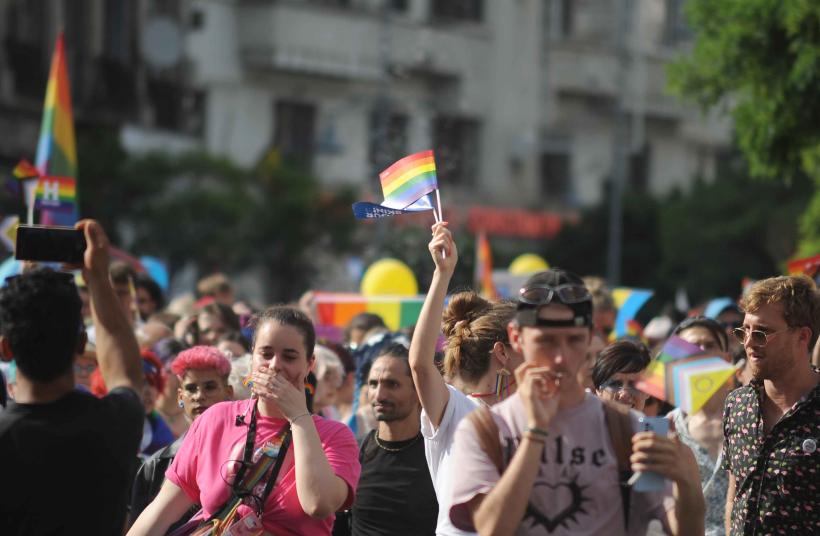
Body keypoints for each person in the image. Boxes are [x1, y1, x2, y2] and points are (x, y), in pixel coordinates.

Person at [449, 268, 705, 535]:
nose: (561, 357)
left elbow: (682, 530)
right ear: (516, 337)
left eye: (573, 340)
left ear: (590, 337)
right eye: (546, 341)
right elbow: (491, 528)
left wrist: (688, 482)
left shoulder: (634, 429)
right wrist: (535, 433)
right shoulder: (484, 428)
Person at [129, 306, 361, 536]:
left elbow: (317, 504)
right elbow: (161, 512)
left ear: (309, 364)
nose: (275, 365)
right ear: (252, 357)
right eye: (266, 354)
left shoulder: (334, 436)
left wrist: (299, 416)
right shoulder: (216, 419)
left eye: (289, 356)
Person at [0, 220, 144, 535]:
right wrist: (97, 278)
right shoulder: (115, 423)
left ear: (5, 348)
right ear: (81, 345)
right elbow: (127, 372)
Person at [409, 222, 522, 536]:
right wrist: (441, 275)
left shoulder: (532, 416)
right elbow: (419, 364)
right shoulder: (456, 408)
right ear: (502, 353)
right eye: (526, 342)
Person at [722, 275, 820, 535]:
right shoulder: (737, 404)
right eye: (745, 330)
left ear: (802, 337)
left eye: (763, 332)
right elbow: (735, 495)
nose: (749, 343)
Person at [129, 345, 234, 528]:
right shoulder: (156, 466)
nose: (199, 396)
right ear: (180, 397)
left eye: (210, 387)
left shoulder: (249, 456)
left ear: (229, 393)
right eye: (191, 388)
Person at [351, 344, 438, 535]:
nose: (379, 395)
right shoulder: (355, 453)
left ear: (418, 391)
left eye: (392, 384)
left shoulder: (438, 455)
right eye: (373, 384)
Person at [667, 316, 733, 536]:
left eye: (709, 345)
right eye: (692, 347)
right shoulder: (668, 428)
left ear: (727, 359)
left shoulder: (755, 419)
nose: (701, 352)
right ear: (675, 362)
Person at [591, 340, 651, 411]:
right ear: (599, 390)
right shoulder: (579, 422)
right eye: (615, 384)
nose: (624, 394)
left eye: (634, 385)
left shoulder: (663, 422)